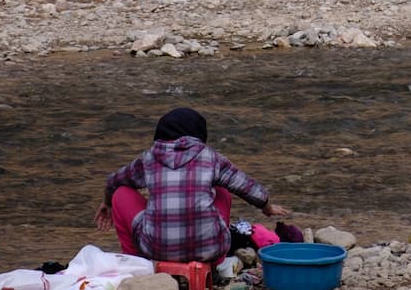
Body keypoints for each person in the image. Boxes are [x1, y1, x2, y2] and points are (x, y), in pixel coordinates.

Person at [96, 107, 291, 264]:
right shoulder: (211, 157)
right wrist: (267, 207)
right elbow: (246, 186)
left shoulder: (148, 159)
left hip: (156, 251)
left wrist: (107, 203)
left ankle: (137, 262)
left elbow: (114, 181)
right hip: (211, 255)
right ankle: (210, 253)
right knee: (222, 191)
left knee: (121, 193)